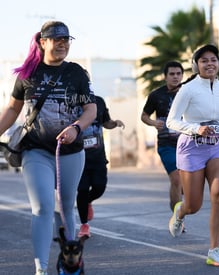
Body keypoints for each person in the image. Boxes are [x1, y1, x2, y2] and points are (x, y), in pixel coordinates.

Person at [0, 21, 96, 275]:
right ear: (43, 42)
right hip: (36, 150)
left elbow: (91, 109)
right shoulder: (28, 74)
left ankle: (71, 266)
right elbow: (12, 109)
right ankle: (41, 268)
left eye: (66, 39)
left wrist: (76, 127)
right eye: (57, 39)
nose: (63, 43)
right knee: (42, 206)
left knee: (65, 207)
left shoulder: (77, 73)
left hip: (71, 151)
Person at [166, 44, 219, 266]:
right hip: (191, 147)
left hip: (218, 144)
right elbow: (171, 121)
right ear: (196, 66)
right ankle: (180, 211)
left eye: (213, 59)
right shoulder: (188, 89)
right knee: (194, 205)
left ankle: (214, 251)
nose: (209, 63)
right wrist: (195, 128)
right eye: (204, 60)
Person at [77, 94, 125, 238]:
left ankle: (88, 201)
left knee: (100, 187)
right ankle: (84, 225)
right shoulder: (69, 102)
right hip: (78, 157)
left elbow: (106, 123)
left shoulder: (98, 101)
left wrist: (115, 123)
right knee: (83, 190)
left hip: (98, 156)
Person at [141, 61, 184, 212]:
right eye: (172, 74)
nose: (175, 77)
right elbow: (144, 116)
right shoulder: (156, 95)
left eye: (178, 74)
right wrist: (153, 122)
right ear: (165, 77)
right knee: (176, 179)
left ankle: (179, 199)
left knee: (185, 183)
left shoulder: (188, 92)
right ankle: (178, 217)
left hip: (187, 144)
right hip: (167, 145)